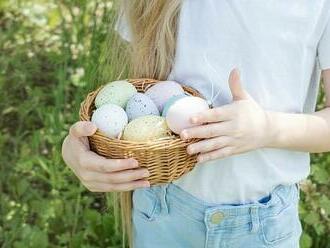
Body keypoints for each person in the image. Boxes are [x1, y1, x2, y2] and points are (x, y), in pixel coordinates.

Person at [62, 1, 330, 247]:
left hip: (261, 226)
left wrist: (267, 129)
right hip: (162, 211)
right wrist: (83, 148)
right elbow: (136, 100)